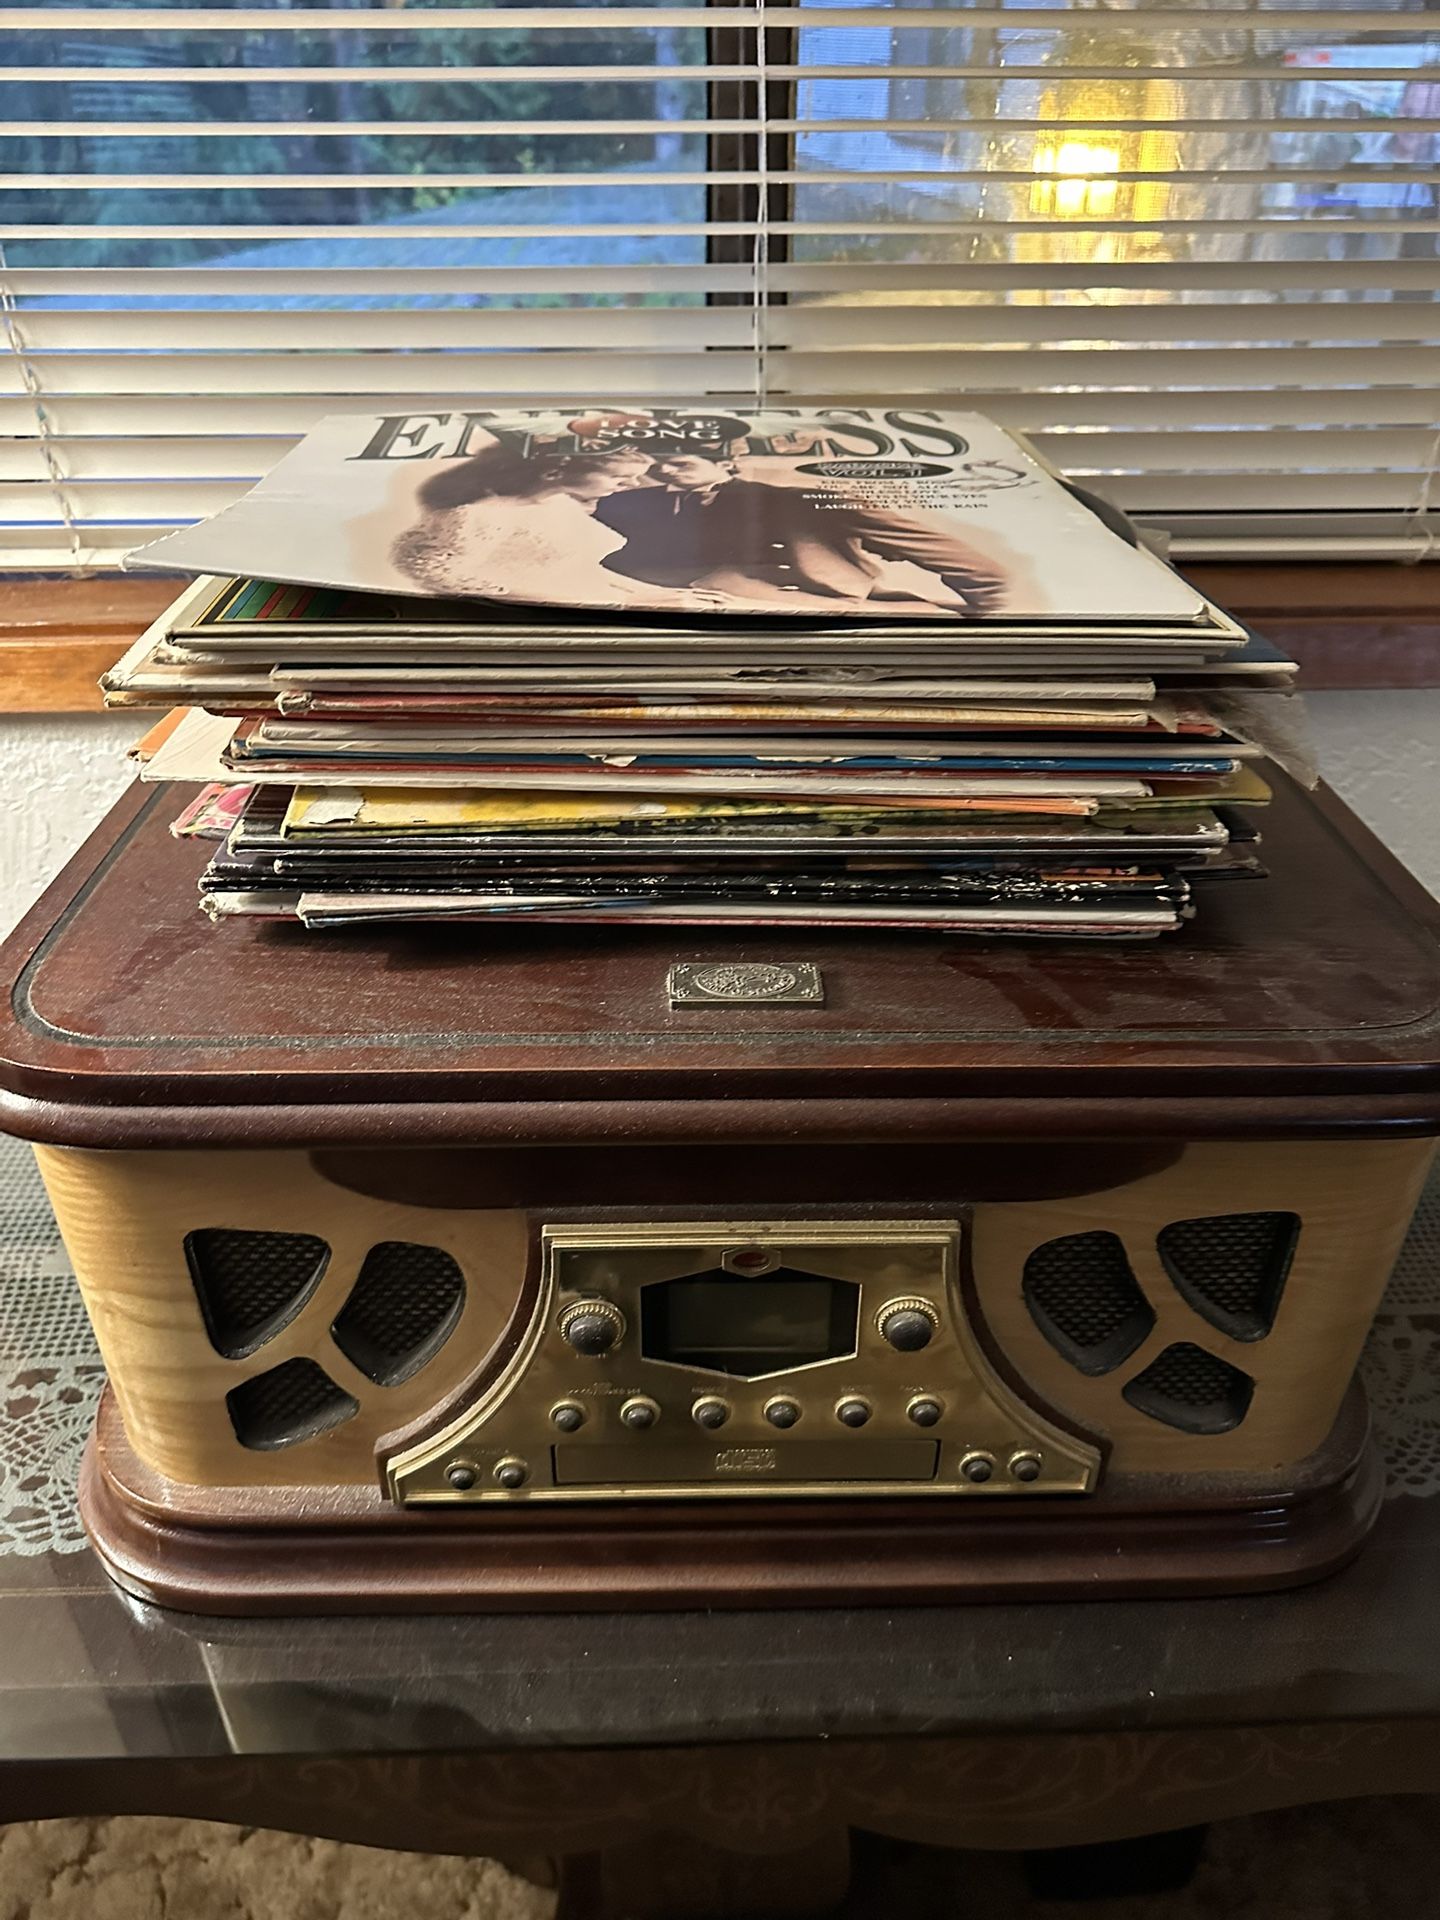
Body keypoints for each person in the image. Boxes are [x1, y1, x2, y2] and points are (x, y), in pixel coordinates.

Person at [591, 450, 1009, 615]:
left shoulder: (796, 500)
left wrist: (987, 611)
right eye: (659, 465)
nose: (666, 471)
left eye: (681, 463)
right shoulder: (629, 502)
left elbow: (939, 552)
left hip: (815, 611)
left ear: (727, 465)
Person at [392, 443, 678, 605]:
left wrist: (656, 593)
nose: (632, 485)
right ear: (554, 471)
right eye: (619, 477)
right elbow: (450, 580)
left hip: (589, 599)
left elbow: (577, 568)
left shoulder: (559, 504)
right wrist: (624, 603)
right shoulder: (482, 516)